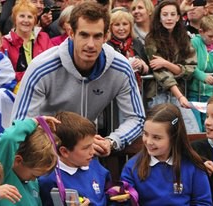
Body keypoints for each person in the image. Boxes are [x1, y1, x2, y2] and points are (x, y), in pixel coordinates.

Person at [11, 2, 145, 155]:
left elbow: (137, 118)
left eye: (97, 36)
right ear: (71, 33)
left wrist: (112, 141)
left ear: (106, 36)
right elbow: (19, 125)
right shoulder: (41, 68)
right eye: (84, 35)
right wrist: (59, 143)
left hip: (86, 154)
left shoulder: (120, 68)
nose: (90, 44)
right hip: (45, 153)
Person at [119, 103, 212, 205]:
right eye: (145, 134)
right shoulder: (132, 167)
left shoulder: (193, 165)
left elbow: (203, 202)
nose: (148, 141)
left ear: (174, 138)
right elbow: (125, 200)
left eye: (156, 137)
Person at [39, 111, 111, 206]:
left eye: (92, 145)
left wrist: (117, 196)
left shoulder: (95, 166)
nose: (92, 152)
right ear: (64, 152)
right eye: (85, 148)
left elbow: (107, 196)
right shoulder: (49, 180)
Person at [0, 116, 58, 206]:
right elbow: (9, 138)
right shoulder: (0, 170)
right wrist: (35, 121)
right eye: (34, 175)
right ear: (18, 160)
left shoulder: (32, 182)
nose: (34, 179)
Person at [144, 0, 196, 110]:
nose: (169, 18)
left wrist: (166, 63)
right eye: (165, 14)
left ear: (178, 17)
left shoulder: (184, 38)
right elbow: (159, 71)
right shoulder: (151, 39)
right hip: (158, 93)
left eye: (173, 14)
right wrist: (180, 96)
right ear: (159, 18)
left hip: (179, 92)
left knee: (191, 126)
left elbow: (190, 69)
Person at [1, 0, 53, 93]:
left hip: (42, 90)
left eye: (30, 17)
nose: (26, 20)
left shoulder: (44, 38)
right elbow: (3, 74)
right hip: (14, 92)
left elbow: (52, 65)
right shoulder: (4, 42)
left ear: (35, 20)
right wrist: (31, 75)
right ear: (15, 19)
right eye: (22, 16)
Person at [107, 7, 149, 86]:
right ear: (110, 27)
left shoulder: (137, 43)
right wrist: (127, 66)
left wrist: (141, 66)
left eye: (125, 24)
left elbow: (148, 70)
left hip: (137, 90)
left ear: (130, 26)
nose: (121, 28)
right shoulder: (107, 45)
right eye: (117, 24)